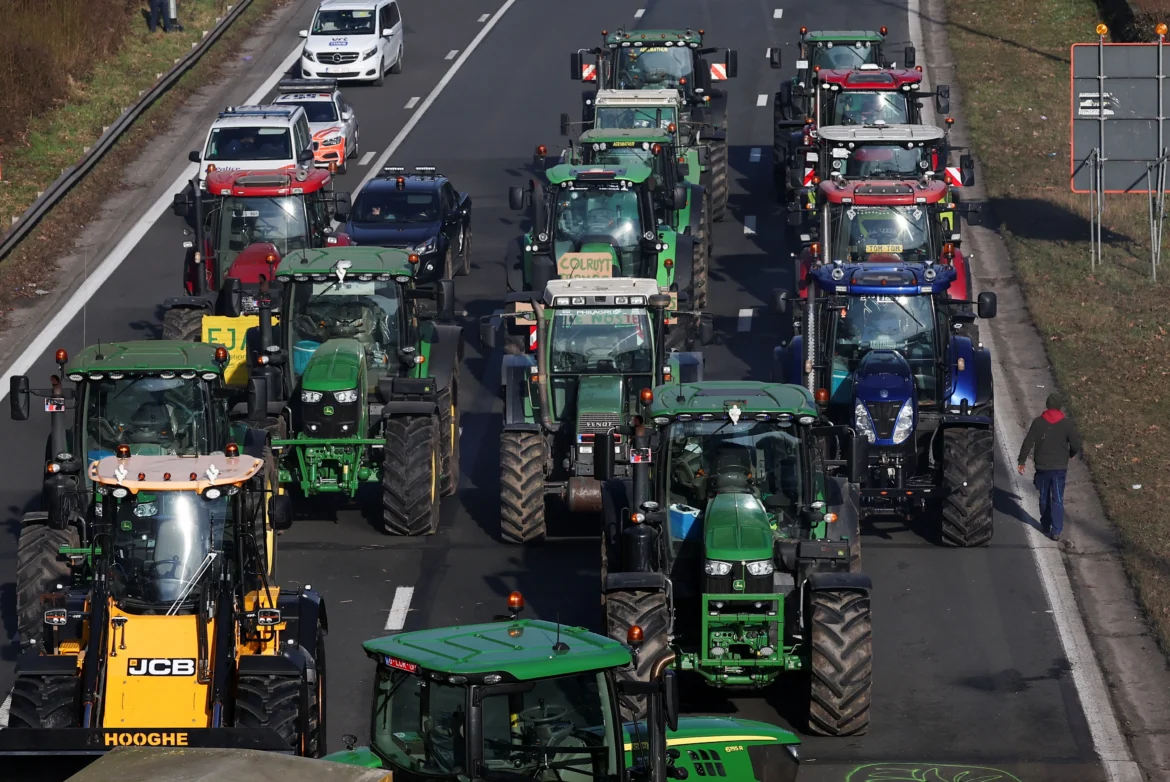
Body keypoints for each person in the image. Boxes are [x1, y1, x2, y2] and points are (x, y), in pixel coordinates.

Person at [1017, 392, 1082, 541]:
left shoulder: (1038, 422)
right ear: (1059, 406)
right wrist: (1071, 453)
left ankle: (1045, 524)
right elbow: (1076, 444)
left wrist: (1021, 461)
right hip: (1059, 467)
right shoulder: (1067, 424)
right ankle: (1056, 530)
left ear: (1047, 405)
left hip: (1042, 466)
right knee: (1057, 498)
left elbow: (1028, 443)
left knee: (1044, 496)